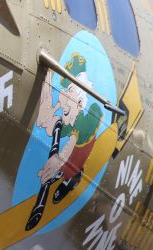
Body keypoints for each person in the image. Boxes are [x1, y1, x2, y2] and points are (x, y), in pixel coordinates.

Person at [35, 53, 103, 203]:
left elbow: (73, 140)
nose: (63, 98)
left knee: (75, 156)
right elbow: (45, 124)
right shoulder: (66, 121)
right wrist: (47, 89)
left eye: (69, 92)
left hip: (77, 162)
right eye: (64, 93)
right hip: (69, 159)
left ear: (80, 102)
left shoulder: (89, 116)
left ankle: (70, 177)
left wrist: (58, 161)